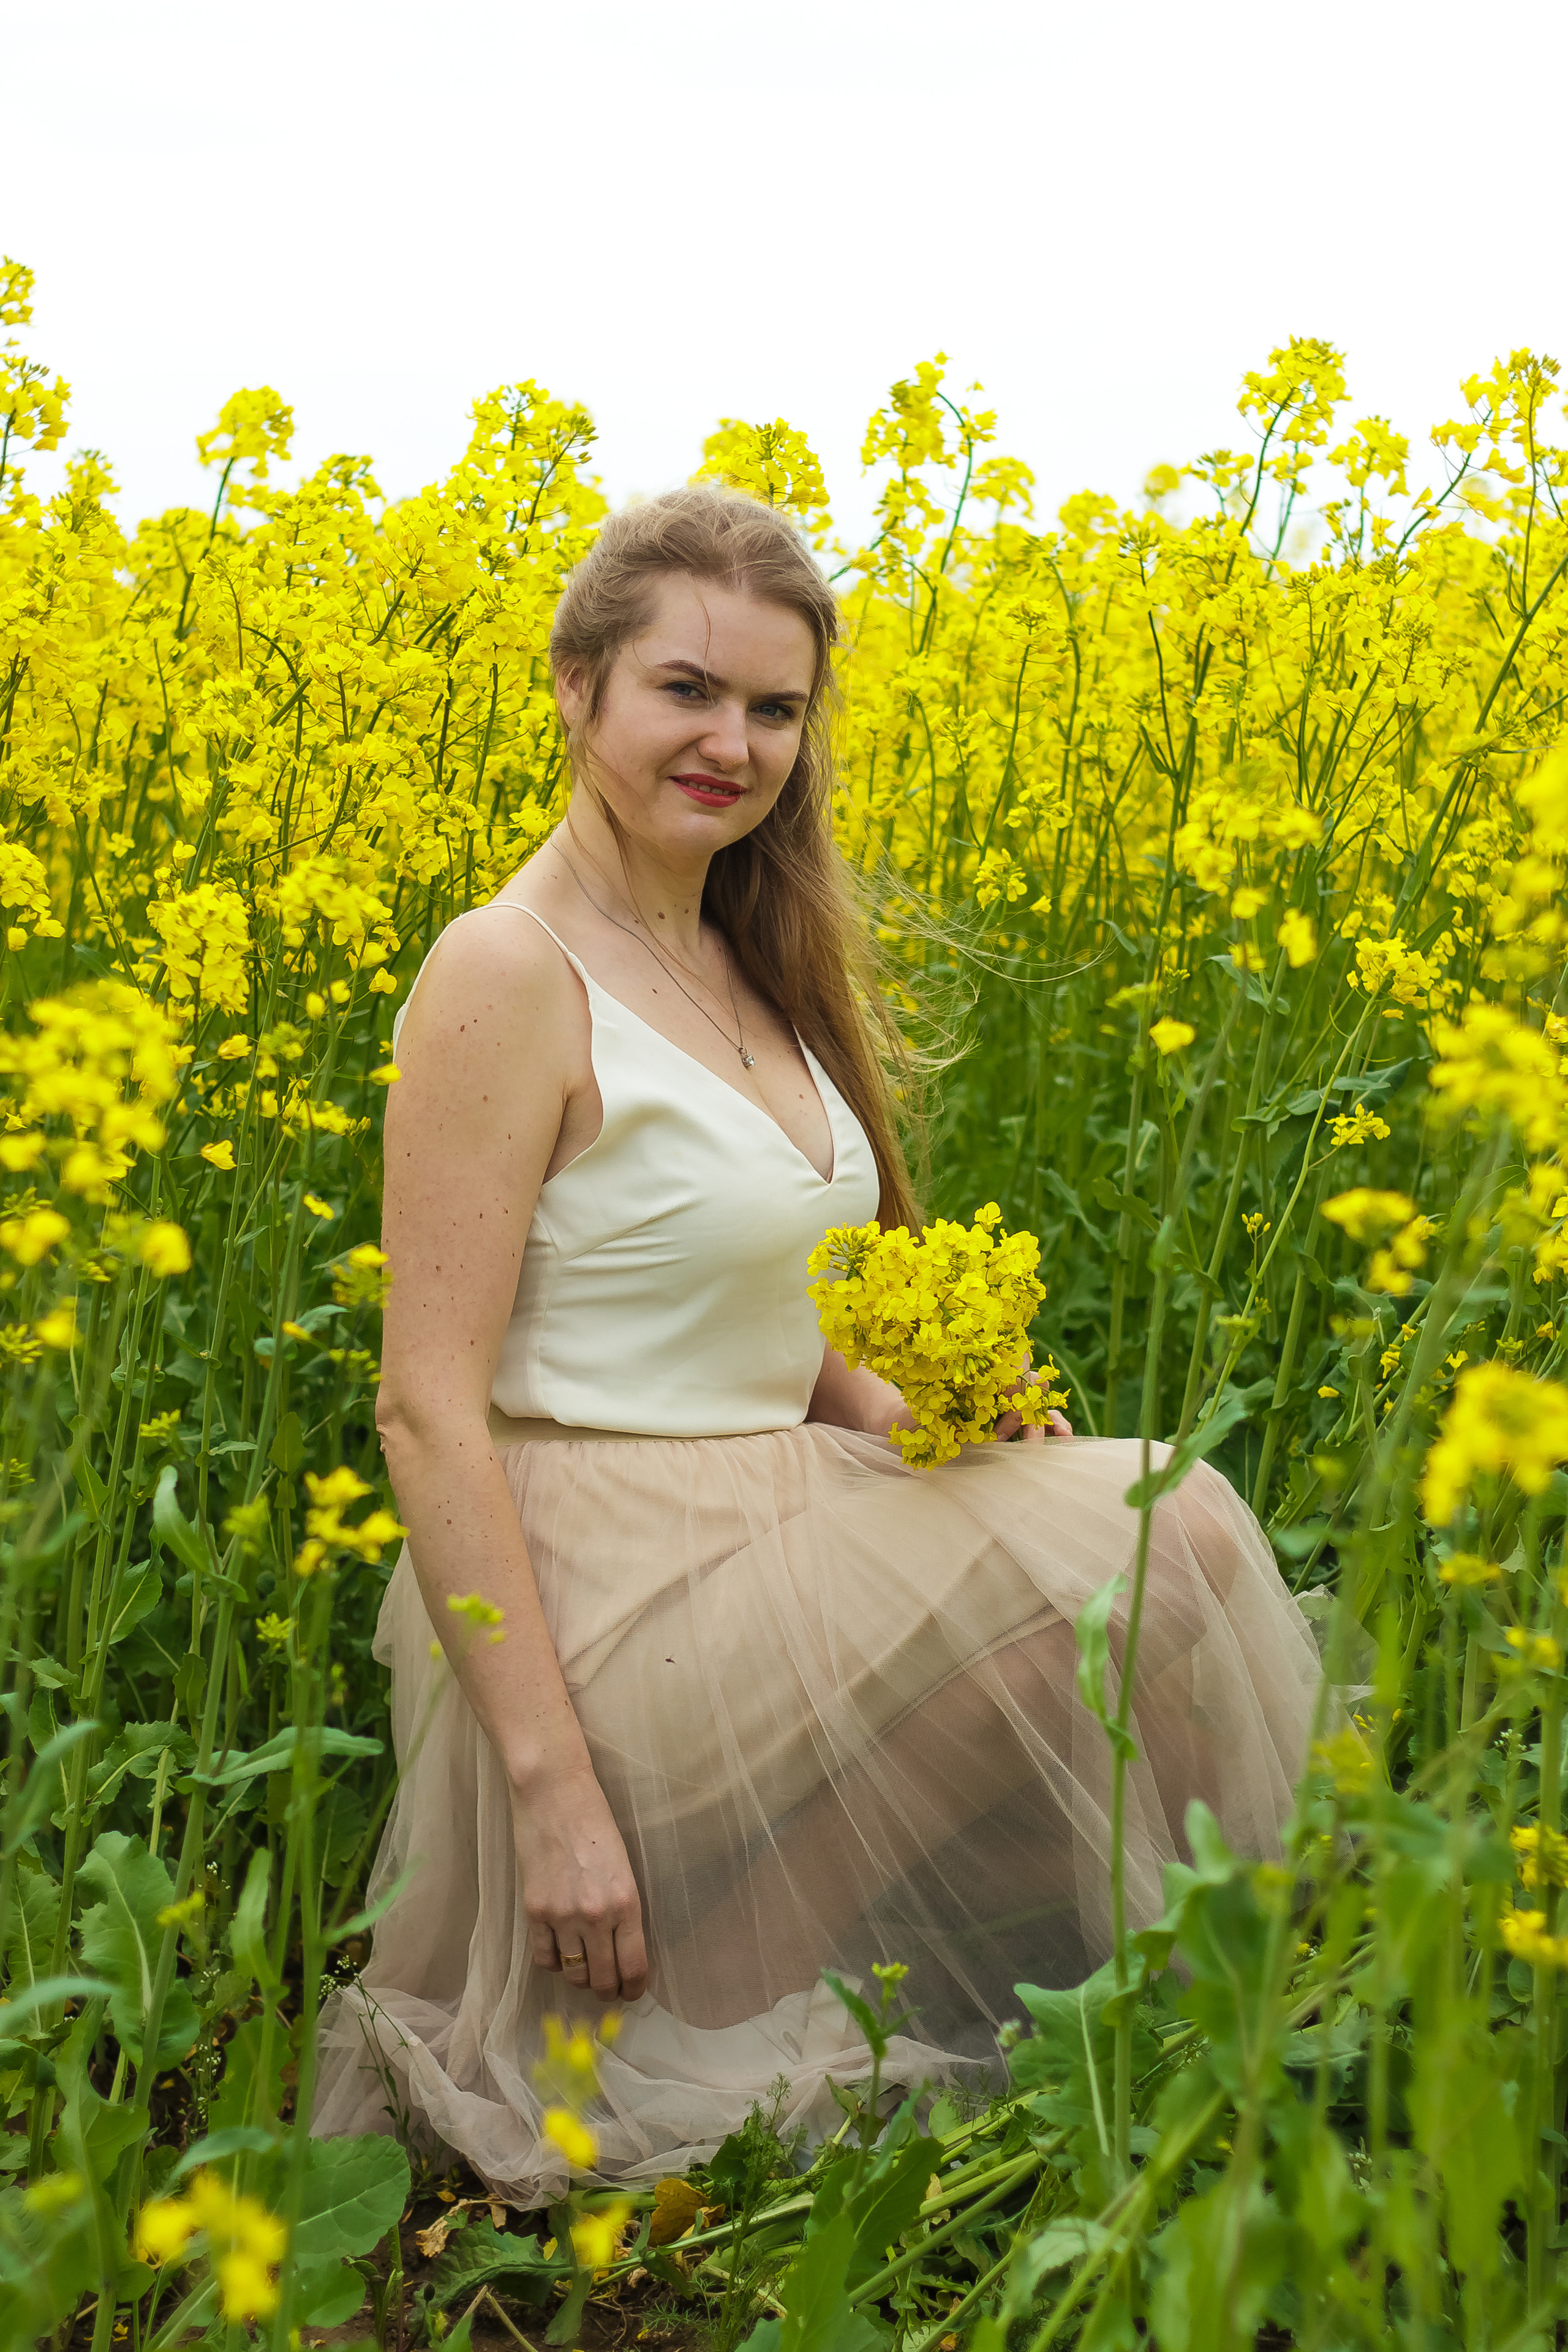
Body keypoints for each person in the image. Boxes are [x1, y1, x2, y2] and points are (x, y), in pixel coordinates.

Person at [312, 485, 1320, 2201]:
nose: (734, 743)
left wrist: (923, 1413)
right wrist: (550, 1792)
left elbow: (785, 1321)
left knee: (1141, 1557)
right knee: (1169, 1536)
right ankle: (661, 2025)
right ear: (577, 689)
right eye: (686, 691)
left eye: (775, 708)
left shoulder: (744, 955)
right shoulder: (506, 967)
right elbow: (426, 1409)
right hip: (597, 1576)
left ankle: (729, 2023)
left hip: (776, 1510)